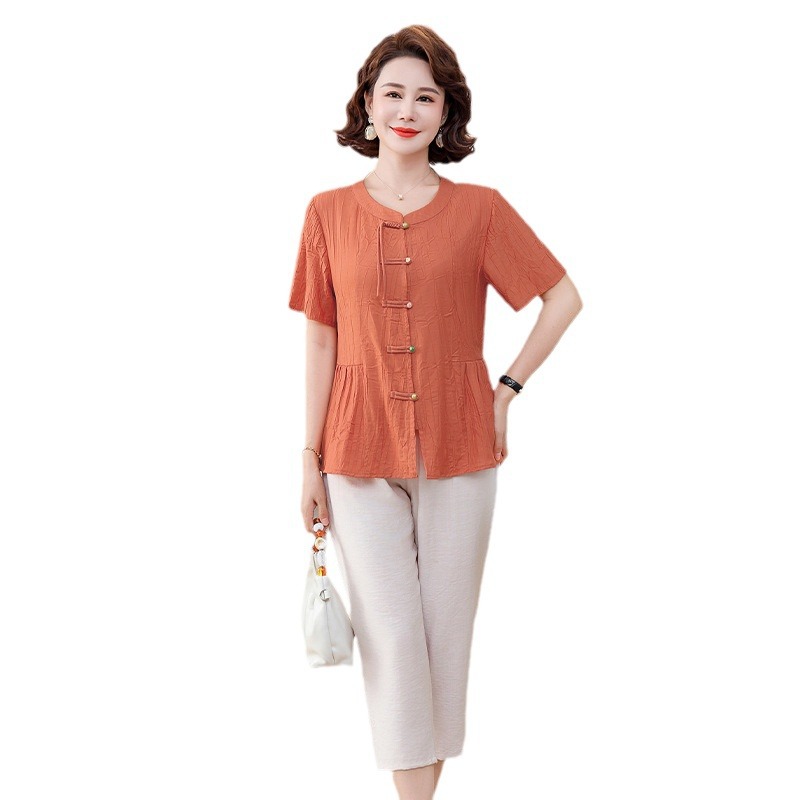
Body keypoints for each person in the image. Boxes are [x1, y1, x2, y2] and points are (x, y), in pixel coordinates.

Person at [289, 24, 583, 800]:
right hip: (356, 448)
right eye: (393, 94)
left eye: (426, 97)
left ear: (446, 112)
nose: (407, 110)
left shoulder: (480, 210)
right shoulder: (326, 213)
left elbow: (562, 297)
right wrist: (308, 458)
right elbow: (321, 339)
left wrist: (506, 390)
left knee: (445, 641)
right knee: (391, 638)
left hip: (461, 446)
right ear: (367, 103)